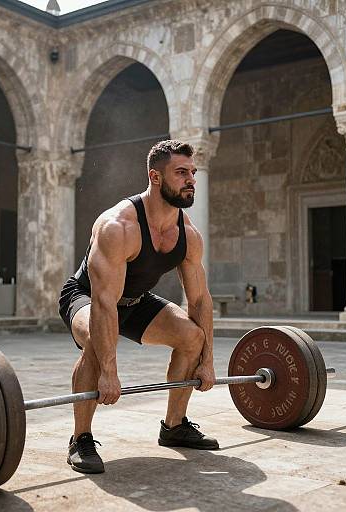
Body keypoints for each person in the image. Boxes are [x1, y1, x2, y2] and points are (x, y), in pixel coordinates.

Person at [59, 139, 218, 474]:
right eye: (181, 172)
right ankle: (80, 439)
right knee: (96, 341)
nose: (191, 179)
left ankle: (174, 426)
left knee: (193, 338)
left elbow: (200, 299)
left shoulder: (188, 234)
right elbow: (103, 304)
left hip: (136, 301)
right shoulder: (118, 226)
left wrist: (208, 362)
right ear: (155, 177)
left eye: (192, 172)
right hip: (87, 297)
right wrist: (109, 372)